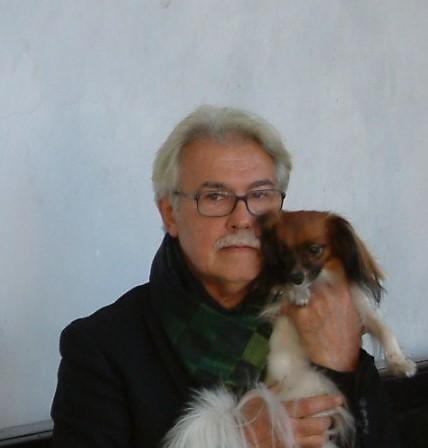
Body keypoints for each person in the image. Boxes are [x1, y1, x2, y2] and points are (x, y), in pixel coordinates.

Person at [51, 105, 398, 447]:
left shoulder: (319, 316)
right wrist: (234, 441)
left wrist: (341, 370)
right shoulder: (101, 348)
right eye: (214, 196)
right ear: (170, 214)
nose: (242, 219)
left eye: (260, 195)